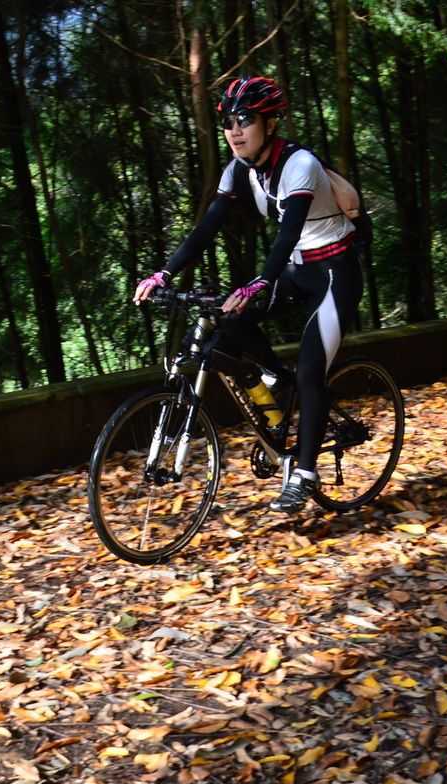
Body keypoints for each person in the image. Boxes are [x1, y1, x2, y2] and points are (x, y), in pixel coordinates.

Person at [134, 75, 364, 513]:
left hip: (335, 272)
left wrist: (259, 281)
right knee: (228, 326)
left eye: (245, 119)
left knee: (313, 367)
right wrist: (164, 273)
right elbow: (206, 227)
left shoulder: (300, 165)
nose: (235, 130)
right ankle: (277, 386)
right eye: (227, 122)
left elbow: (288, 232)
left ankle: (304, 474)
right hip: (296, 270)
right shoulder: (239, 169)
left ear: (270, 123)